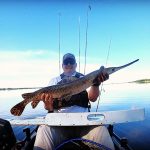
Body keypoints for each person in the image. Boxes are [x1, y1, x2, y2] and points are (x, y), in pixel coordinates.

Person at [34, 53, 115, 150]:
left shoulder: (84, 78)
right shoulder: (54, 80)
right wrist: (47, 105)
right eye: (66, 62)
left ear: (76, 64)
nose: (68, 64)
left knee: (102, 130)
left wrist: (96, 84)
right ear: (62, 65)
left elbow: (92, 98)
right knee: (43, 130)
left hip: (84, 125)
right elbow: (48, 108)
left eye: (71, 62)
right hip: (59, 126)